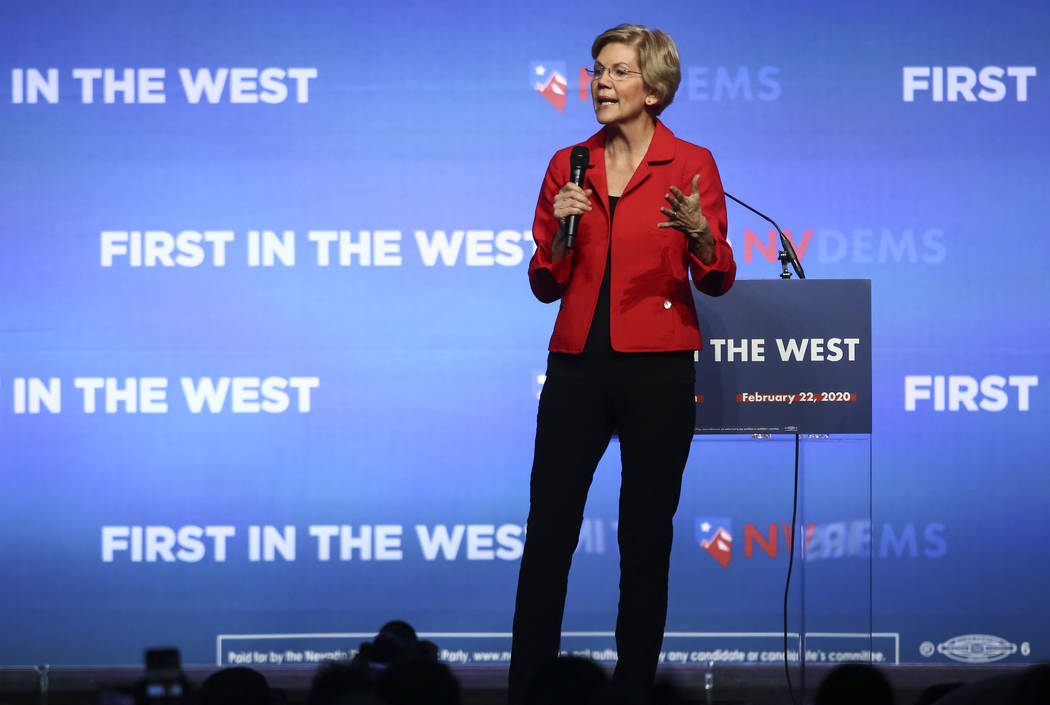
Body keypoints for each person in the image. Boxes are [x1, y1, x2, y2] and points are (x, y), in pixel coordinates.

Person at [508, 24, 736, 705]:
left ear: (655, 89)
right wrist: (560, 229)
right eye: (596, 71)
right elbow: (544, 282)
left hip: (659, 372)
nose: (600, 83)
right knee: (548, 534)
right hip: (576, 368)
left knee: (644, 540)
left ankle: (633, 690)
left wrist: (699, 232)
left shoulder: (691, 163)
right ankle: (528, 690)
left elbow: (719, 278)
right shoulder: (566, 163)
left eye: (618, 72)